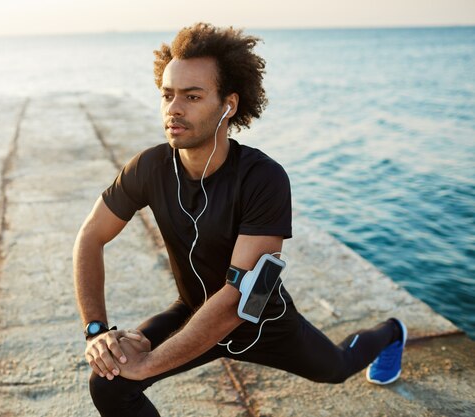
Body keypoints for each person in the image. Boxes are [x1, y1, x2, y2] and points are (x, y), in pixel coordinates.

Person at [73, 22, 407, 417]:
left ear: (228, 105)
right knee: (109, 381)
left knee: (335, 368)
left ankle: (391, 333)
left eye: (192, 96)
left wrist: (148, 362)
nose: (174, 109)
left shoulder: (264, 179)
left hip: (262, 321)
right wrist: (98, 331)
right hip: (192, 310)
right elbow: (91, 237)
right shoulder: (149, 167)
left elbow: (242, 299)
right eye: (167, 95)